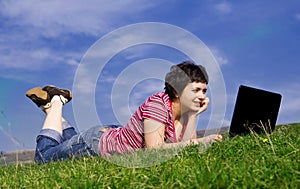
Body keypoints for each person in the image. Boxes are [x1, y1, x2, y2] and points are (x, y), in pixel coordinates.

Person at [26, 61, 223, 164]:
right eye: (195, 90)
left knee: (64, 144)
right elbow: (154, 151)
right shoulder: (158, 105)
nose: (201, 96)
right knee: (44, 158)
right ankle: (57, 102)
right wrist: (198, 142)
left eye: (204, 90)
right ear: (178, 92)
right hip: (96, 145)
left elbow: (187, 148)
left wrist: (194, 116)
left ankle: (53, 111)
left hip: (116, 135)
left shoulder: (186, 113)